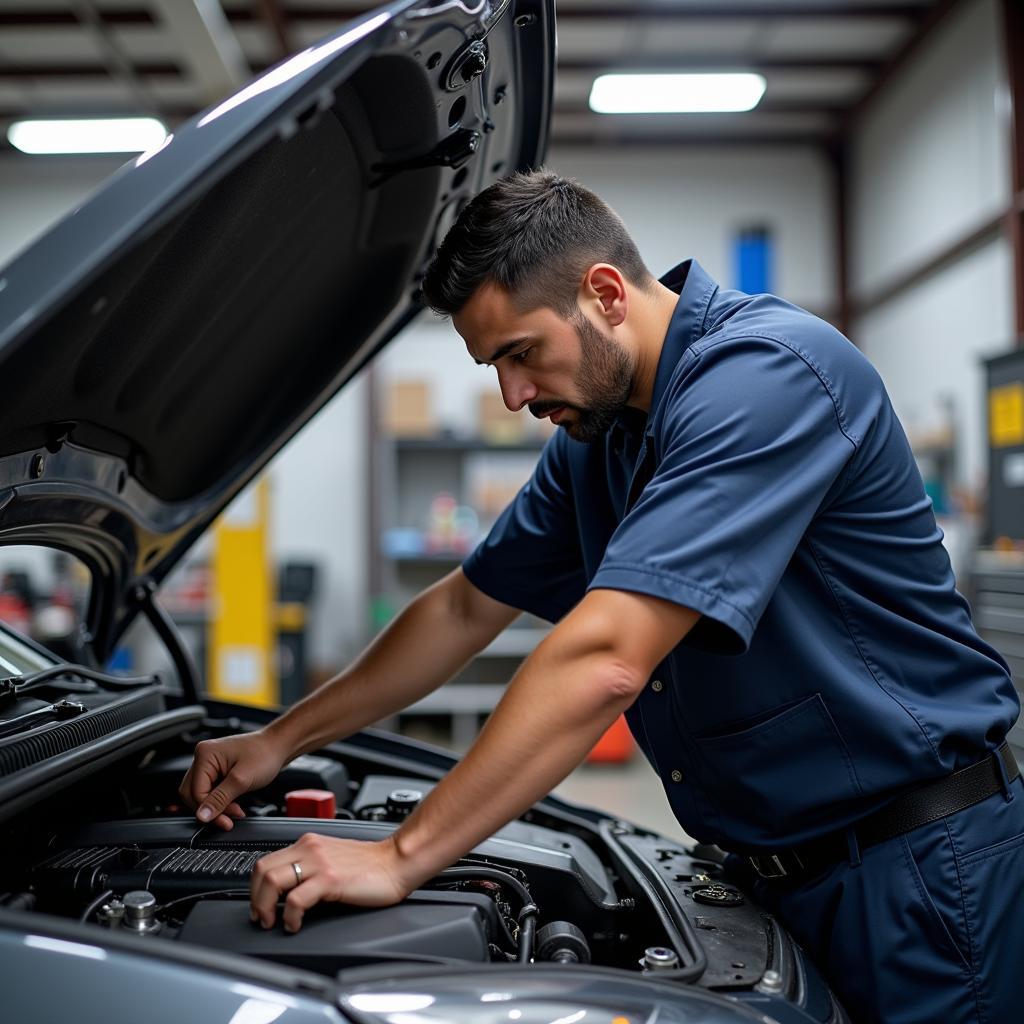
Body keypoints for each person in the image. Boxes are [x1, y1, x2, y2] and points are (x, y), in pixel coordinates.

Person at [180, 171, 1023, 1023]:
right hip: (781, 872)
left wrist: (402, 855)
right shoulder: (600, 437)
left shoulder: (767, 376)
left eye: (520, 353)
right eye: (493, 367)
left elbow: (608, 659)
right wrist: (280, 739)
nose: (513, 396)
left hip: (921, 872)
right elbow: (466, 608)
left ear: (606, 294)